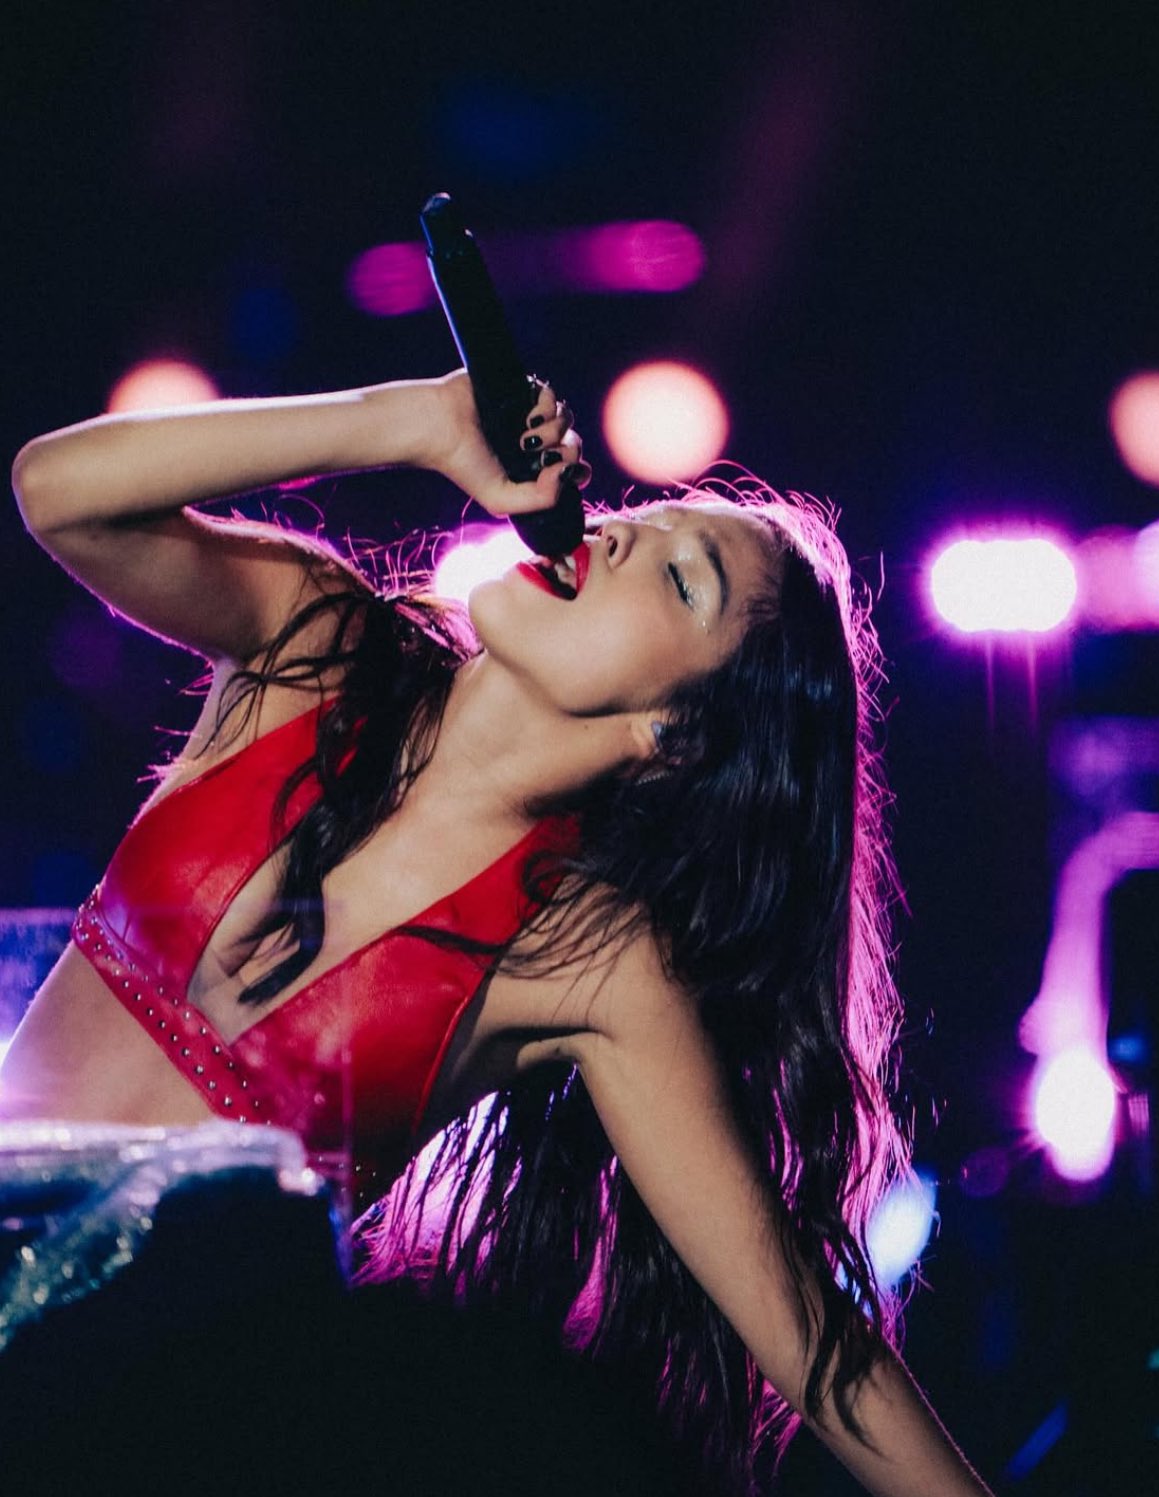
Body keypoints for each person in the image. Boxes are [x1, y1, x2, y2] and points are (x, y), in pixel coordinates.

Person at [3, 369, 992, 1495]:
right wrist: (413, 420)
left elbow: (809, 1333)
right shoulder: (314, 643)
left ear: (675, 736)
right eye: (641, 518)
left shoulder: (589, 958)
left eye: (682, 577)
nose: (620, 535)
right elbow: (56, 490)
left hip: (149, 1431)